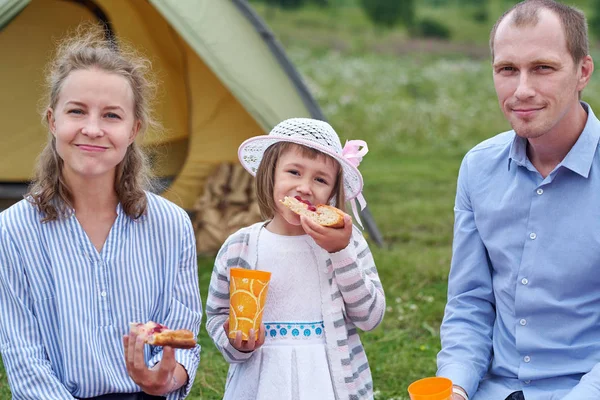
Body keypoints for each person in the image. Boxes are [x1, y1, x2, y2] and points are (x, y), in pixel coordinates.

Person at [0, 24, 202, 399]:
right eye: (77, 111)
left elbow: (182, 334)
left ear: (134, 129)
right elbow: (23, 357)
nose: (92, 129)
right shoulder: (12, 231)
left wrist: (167, 378)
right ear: (52, 120)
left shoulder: (171, 225)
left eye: (111, 116)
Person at [436, 1, 600, 399]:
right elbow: (469, 302)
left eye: (543, 68)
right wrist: (455, 386)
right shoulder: (478, 168)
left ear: (582, 72)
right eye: (507, 69)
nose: (522, 90)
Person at [205, 118, 385, 399]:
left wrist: (341, 253)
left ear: (333, 192)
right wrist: (237, 343)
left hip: (327, 381)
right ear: (270, 174)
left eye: (320, 179)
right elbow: (217, 315)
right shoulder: (239, 247)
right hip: (260, 382)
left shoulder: (346, 244)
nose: (304, 187)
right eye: (293, 172)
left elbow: (370, 318)